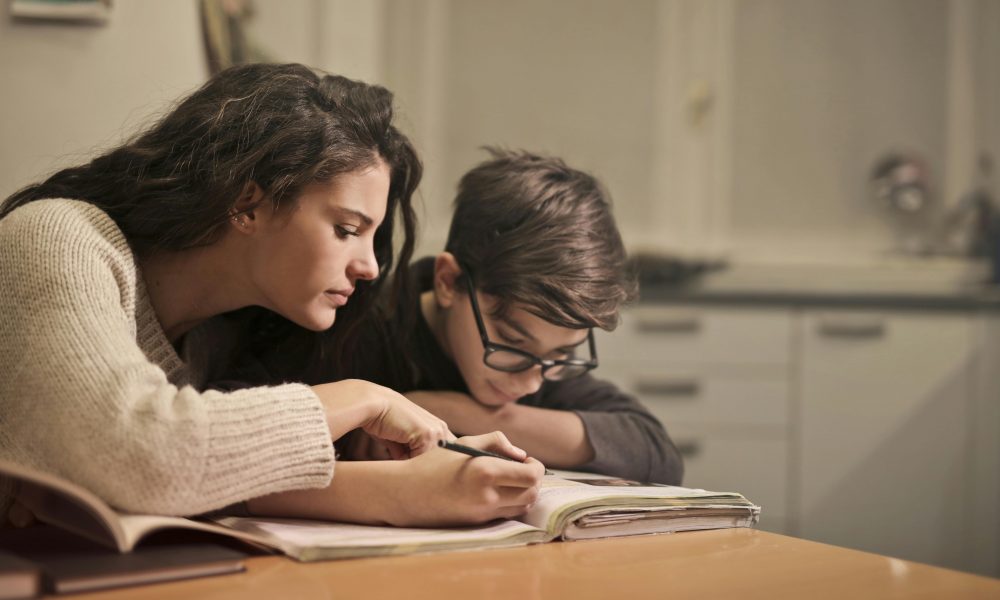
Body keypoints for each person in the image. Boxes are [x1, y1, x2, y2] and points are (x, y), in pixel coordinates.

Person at [0, 64, 542, 528]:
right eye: (348, 229)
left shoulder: (220, 336)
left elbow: (207, 478)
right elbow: (147, 456)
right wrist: (364, 398)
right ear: (247, 203)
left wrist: (418, 484)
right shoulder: (58, 237)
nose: (371, 266)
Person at [250, 148, 684, 485]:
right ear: (448, 281)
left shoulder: (540, 360)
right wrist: (368, 410)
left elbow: (655, 451)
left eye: (562, 355)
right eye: (511, 343)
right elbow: (239, 433)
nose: (531, 381)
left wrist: (462, 413)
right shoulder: (351, 325)